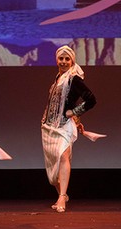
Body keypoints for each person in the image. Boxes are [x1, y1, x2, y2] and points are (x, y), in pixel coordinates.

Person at [41, 45, 97, 213]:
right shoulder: (58, 78)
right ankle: (61, 194)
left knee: (64, 156)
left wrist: (74, 113)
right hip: (49, 126)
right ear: (56, 60)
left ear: (72, 61)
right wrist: (76, 118)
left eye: (67, 59)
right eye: (61, 58)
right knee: (53, 168)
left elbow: (91, 99)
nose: (64, 62)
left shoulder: (73, 79)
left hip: (64, 125)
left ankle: (62, 196)